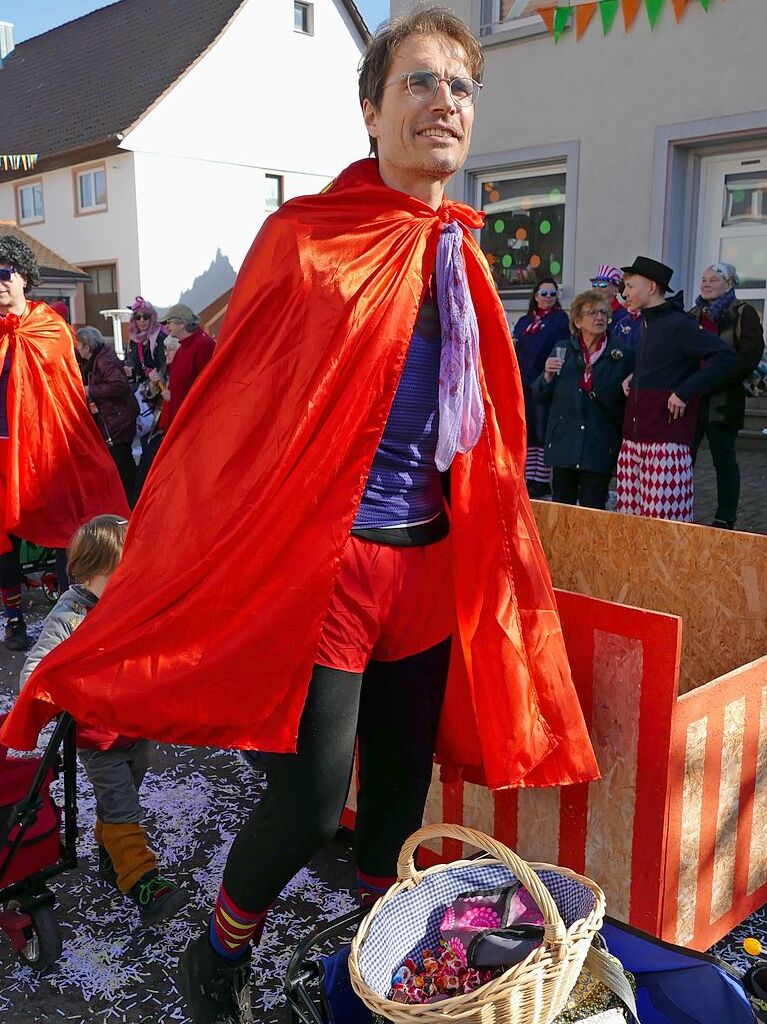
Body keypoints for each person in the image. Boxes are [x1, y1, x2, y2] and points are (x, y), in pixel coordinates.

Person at [0, 10, 598, 1023]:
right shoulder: (309, 240)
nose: (442, 100)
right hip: (331, 568)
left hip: (429, 566)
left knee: (400, 793)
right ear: (370, 111)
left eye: (459, 84)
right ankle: (218, 956)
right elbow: (231, 414)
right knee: (313, 797)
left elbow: (480, 429)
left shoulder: (464, 255)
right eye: (416, 82)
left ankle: (372, 970)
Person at [19, 515, 187, 921]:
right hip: (98, 738)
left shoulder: (127, 602)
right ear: (93, 571)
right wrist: (43, 691)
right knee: (122, 805)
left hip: (134, 728)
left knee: (123, 796)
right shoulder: (71, 613)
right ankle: (142, 880)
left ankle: (111, 854)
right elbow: (38, 664)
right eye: (121, 572)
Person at [0, 235, 129, 651]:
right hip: (4, 450)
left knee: (69, 530)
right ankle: (15, 619)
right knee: (3, 537)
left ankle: (74, 614)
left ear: (23, 278)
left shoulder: (51, 327)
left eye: (4, 273)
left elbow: (67, 393)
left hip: (52, 451)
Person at [617, 256, 738, 522]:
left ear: (651, 287)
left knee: (663, 526)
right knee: (629, 525)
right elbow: (665, 364)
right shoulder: (647, 323)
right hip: (635, 438)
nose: (624, 293)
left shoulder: (678, 323)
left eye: (630, 286)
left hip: (665, 442)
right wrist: (634, 376)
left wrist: (685, 391)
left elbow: (725, 356)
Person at [532, 289, 633, 509]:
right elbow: (540, 396)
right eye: (592, 313)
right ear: (577, 321)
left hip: (599, 444)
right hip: (564, 444)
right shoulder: (562, 350)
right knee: (562, 511)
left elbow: (624, 404)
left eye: (603, 313)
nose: (599, 317)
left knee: (593, 509)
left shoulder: (621, 355)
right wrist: (547, 376)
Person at [688, 263, 764, 529]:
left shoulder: (742, 313)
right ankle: (681, 508)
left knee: (724, 460)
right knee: (685, 458)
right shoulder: (694, 314)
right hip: (693, 398)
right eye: (703, 278)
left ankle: (725, 515)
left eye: (713, 279)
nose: (706, 283)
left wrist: (716, 378)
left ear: (729, 284)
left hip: (723, 399)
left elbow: (750, 355)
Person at [512, 277, 570, 497]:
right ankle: (528, 477)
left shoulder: (559, 319)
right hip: (524, 382)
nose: (547, 298)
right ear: (535, 296)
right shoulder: (526, 321)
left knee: (542, 430)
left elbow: (560, 348)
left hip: (544, 382)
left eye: (552, 294)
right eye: (543, 293)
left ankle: (542, 479)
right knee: (528, 432)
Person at [76, 327, 140, 504]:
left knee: (122, 462)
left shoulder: (103, 361)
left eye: (80, 346)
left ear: (88, 346)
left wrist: (91, 390)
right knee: (121, 461)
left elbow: (119, 385)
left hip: (118, 419)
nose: (78, 350)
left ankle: (131, 502)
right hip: (115, 417)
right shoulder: (100, 358)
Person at [158, 304, 215, 425]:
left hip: (193, 420)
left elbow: (206, 385)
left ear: (182, 323)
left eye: (169, 322)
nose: (166, 326)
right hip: (180, 418)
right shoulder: (184, 346)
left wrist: (174, 396)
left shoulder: (203, 345)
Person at [589, 264, 641, 349]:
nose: (597, 289)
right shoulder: (589, 314)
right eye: (594, 285)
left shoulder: (624, 316)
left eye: (603, 285)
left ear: (616, 290)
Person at [124, 297, 166, 388]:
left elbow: (164, 365)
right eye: (138, 317)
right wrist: (128, 370)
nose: (142, 320)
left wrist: (156, 375)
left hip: (157, 388)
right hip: (139, 389)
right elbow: (130, 363)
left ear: (152, 318)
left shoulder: (160, 337)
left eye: (146, 316)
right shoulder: (133, 339)